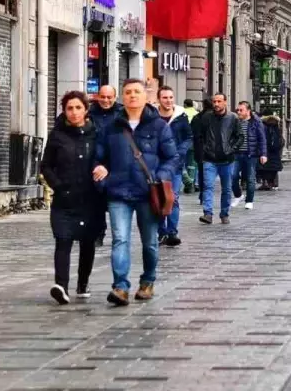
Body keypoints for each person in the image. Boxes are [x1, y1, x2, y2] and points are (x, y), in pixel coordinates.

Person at [92, 79, 180, 306]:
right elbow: (99, 155)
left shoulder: (159, 126)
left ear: (145, 96)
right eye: (128, 92)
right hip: (118, 191)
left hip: (147, 192)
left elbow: (172, 157)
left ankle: (147, 281)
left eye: (137, 92)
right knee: (120, 239)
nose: (132, 96)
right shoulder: (112, 126)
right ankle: (120, 287)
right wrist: (100, 167)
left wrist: (161, 176)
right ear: (122, 97)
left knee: (150, 241)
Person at [40, 91, 103, 305]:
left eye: (78, 107)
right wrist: (57, 185)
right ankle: (61, 286)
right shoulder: (57, 135)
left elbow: (105, 159)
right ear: (64, 111)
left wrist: (102, 171)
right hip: (64, 198)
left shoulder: (96, 134)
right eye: (69, 108)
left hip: (90, 198)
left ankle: (83, 283)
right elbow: (46, 165)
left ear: (86, 110)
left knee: (87, 242)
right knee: (63, 239)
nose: (74, 112)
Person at [156, 86, 191, 247]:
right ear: (159, 99)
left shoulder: (181, 117)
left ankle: (172, 232)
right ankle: (161, 232)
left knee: (173, 198)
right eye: (165, 98)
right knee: (158, 200)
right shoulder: (152, 117)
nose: (168, 100)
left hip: (175, 165)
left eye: (171, 97)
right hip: (156, 165)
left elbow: (188, 138)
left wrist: (180, 152)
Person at [198, 94, 241, 225]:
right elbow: (200, 135)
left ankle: (224, 213)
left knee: (226, 188)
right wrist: (204, 149)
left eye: (219, 101)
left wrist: (232, 149)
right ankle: (208, 213)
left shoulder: (233, 118)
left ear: (225, 102)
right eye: (214, 101)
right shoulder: (206, 117)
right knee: (208, 186)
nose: (216, 104)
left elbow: (240, 136)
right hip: (209, 158)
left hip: (227, 160)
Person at [232, 102, 267, 210]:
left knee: (250, 178)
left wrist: (263, 154)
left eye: (241, 110)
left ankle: (249, 201)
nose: (238, 112)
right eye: (237, 110)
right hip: (236, 154)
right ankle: (238, 195)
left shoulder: (256, 122)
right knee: (232, 176)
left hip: (251, 154)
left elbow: (262, 139)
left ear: (248, 111)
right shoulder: (235, 122)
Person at [190, 98, 214, 200]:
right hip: (212, 148)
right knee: (210, 172)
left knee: (201, 171)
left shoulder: (197, 117)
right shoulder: (215, 117)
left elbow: (192, 132)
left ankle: (202, 194)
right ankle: (207, 194)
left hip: (199, 148)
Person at [259, 114, 285, 189]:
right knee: (273, 169)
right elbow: (281, 140)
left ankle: (266, 182)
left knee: (264, 168)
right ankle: (273, 183)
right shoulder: (276, 128)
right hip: (275, 152)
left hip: (266, 151)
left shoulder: (263, 127)